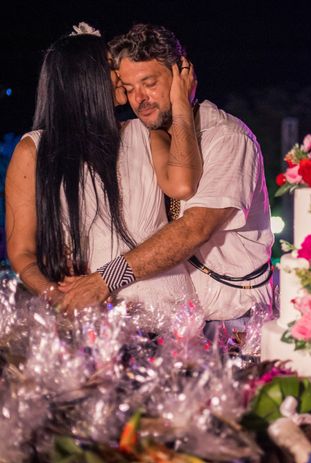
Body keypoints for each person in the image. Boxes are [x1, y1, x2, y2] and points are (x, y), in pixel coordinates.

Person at [59, 24, 274, 327]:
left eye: (149, 83)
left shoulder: (226, 138)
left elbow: (193, 229)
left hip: (235, 317)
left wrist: (103, 280)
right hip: (185, 318)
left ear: (180, 77)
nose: (139, 99)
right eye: (129, 88)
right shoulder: (152, 136)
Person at [5, 25, 201, 307]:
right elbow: (22, 252)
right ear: (86, 78)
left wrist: (180, 100)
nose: (121, 73)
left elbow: (182, 185)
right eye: (110, 66)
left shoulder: (144, 132)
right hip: (93, 316)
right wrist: (60, 298)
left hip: (166, 309)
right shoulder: (35, 150)